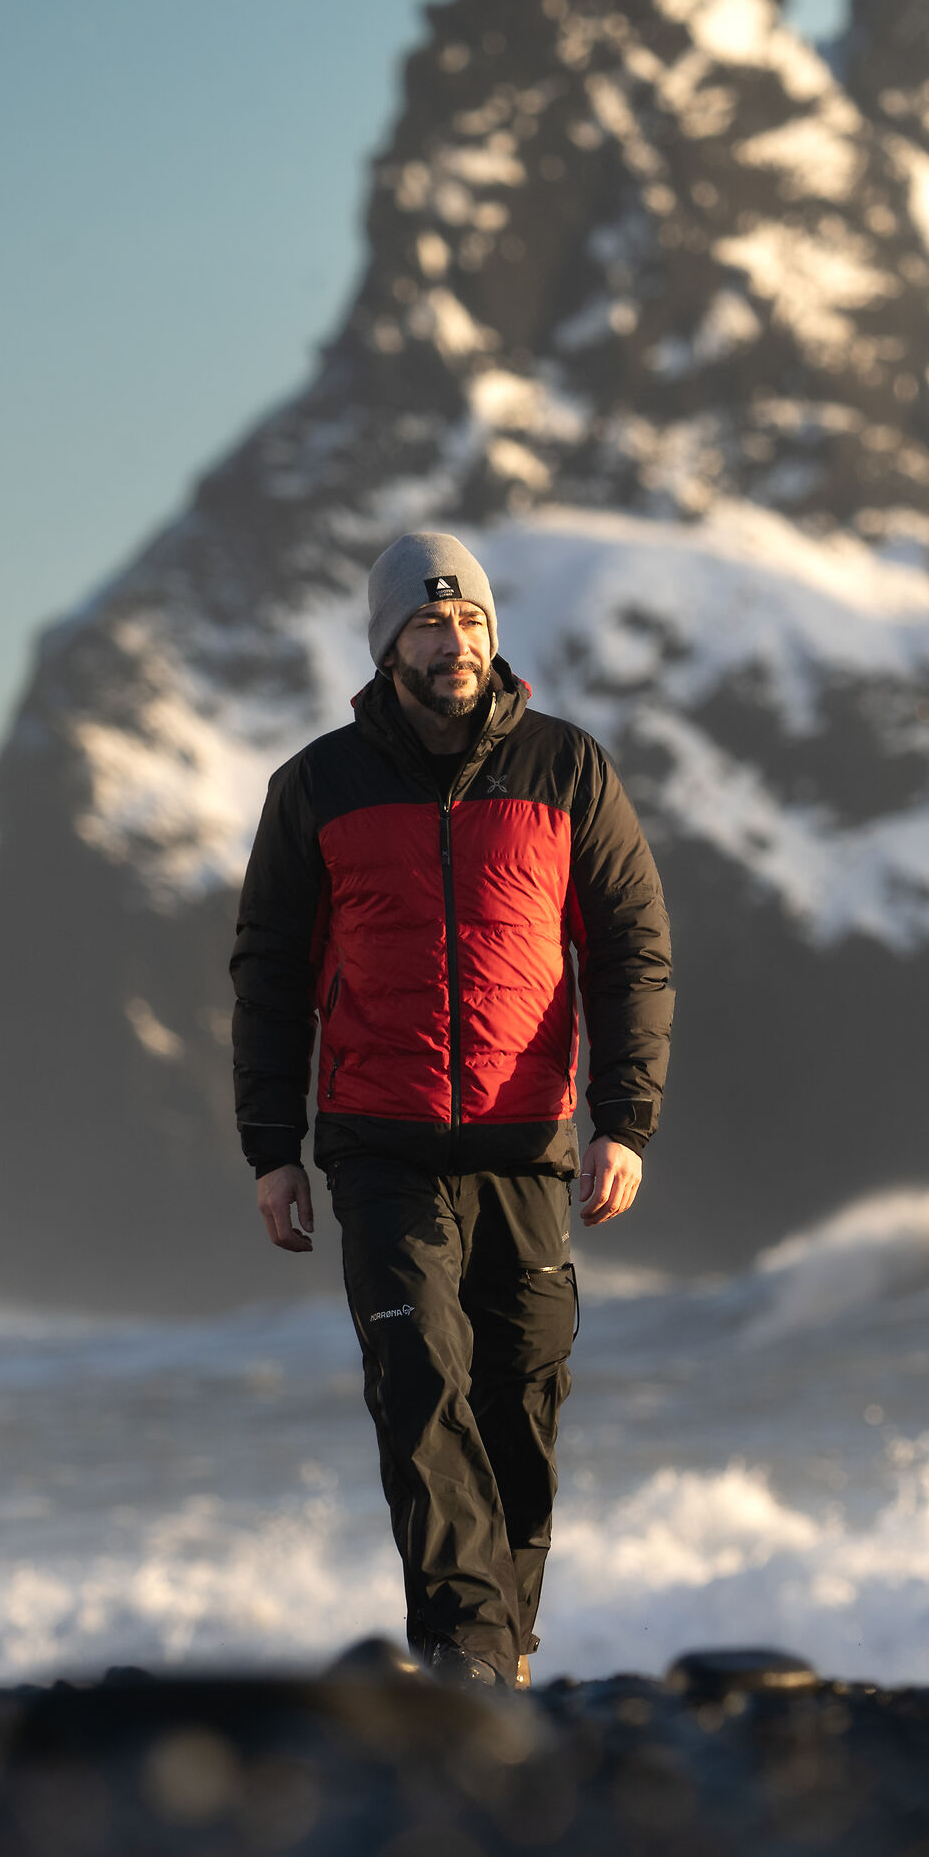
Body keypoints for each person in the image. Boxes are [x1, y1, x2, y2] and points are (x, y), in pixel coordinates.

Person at [230, 532, 674, 1690]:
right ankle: (464, 1652)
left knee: (522, 1395)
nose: (456, 643)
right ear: (389, 647)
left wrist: (624, 1121)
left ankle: (504, 1647)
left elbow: (632, 953)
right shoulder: (317, 788)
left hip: (530, 1143)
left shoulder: (568, 771)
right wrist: (271, 1152)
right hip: (381, 1146)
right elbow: (270, 973)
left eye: (471, 621)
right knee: (420, 1381)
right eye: (430, 626)